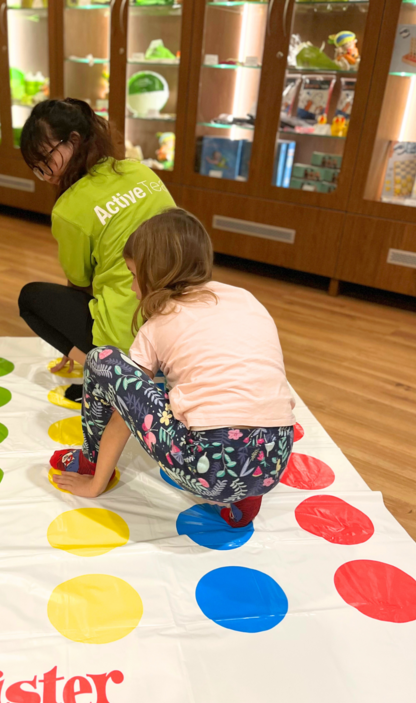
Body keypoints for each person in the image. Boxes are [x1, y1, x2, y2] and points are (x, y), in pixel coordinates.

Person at [51, 208, 296, 528]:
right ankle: (246, 497)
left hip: (209, 472)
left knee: (102, 360)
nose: (131, 288)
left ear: (154, 274)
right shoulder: (246, 299)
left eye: (134, 275)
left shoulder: (158, 323)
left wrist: (97, 484)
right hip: (276, 460)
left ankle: (90, 463)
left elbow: (121, 412)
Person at [18, 98, 175, 402]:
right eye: (37, 169)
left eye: (47, 160)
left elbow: (79, 283)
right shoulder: (139, 171)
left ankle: (101, 371)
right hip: (178, 323)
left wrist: (70, 341)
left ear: (74, 141)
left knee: (30, 299)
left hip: (125, 334)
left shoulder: (68, 209)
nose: (46, 175)